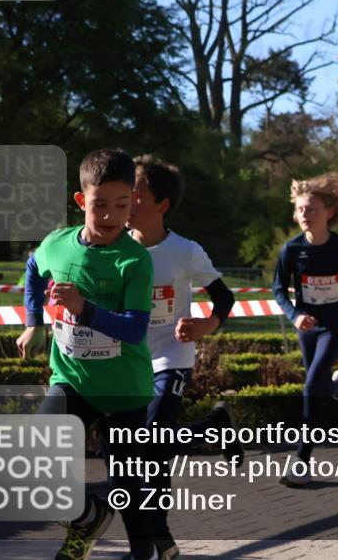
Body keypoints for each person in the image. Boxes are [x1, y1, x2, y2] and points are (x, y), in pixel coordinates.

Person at [16, 148, 157, 560]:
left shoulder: (134, 259)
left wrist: (85, 309)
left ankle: (145, 553)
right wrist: (33, 322)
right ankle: (84, 521)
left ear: (132, 201)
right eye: (100, 205)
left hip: (124, 392)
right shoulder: (57, 244)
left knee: (128, 491)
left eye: (121, 204)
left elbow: (134, 330)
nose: (111, 215)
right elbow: (31, 269)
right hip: (72, 380)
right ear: (82, 201)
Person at [127, 154, 239, 559]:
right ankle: (213, 426)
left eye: (136, 195)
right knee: (144, 451)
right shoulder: (114, 247)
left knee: (152, 442)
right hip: (128, 361)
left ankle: (158, 541)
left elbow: (223, 299)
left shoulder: (185, 251)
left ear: (162, 204)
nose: (127, 202)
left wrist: (205, 326)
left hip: (171, 356)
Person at [271, 171, 338, 486]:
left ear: (329, 213)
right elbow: (278, 289)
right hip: (307, 327)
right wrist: (294, 316)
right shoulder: (290, 250)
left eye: (312, 209)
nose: (305, 214)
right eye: (301, 209)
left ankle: (301, 461)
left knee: (310, 384)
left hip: (336, 326)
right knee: (317, 388)